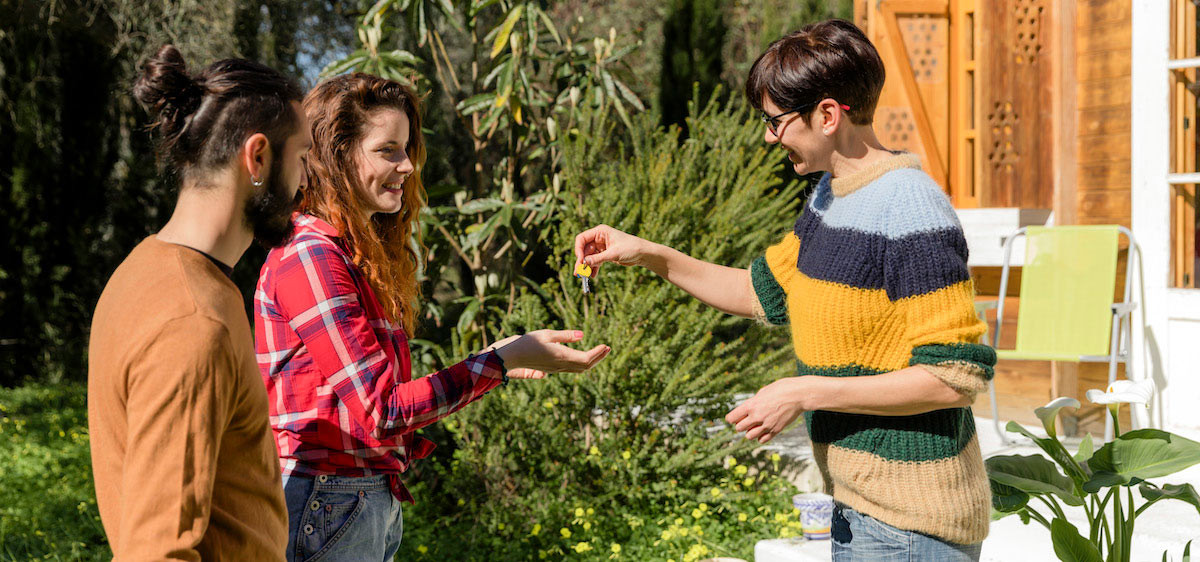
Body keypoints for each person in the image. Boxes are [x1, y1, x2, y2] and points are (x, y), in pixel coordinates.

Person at [574, 19, 995, 560]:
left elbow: (952, 377)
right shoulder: (830, 198)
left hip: (911, 528)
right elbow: (760, 291)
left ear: (826, 115)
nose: (769, 136)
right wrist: (647, 252)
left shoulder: (910, 206)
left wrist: (804, 391)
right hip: (859, 512)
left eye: (775, 121)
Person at [254, 72, 611, 561]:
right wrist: (499, 363)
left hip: (352, 499)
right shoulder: (312, 257)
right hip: (327, 499)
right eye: (388, 150)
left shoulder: (349, 254)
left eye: (407, 149)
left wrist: (497, 358)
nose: (407, 166)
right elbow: (383, 412)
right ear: (337, 155)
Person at [88, 45, 310, 559]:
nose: (305, 182)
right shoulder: (193, 321)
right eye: (302, 157)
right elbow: (156, 551)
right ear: (257, 157)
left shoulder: (148, 271)